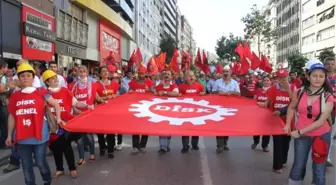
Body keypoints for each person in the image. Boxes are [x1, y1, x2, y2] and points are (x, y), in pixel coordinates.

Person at [5, 63, 64, 185]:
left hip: (39, 136)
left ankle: (47, 179)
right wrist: (9, 135)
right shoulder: (15, 97)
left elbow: (56, 104)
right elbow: (12, 116)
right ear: (19, 79)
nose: (25, 78)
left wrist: (58, 119)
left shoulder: (41, 91)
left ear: (33, 77)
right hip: (22, 138)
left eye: (28, 75)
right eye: (22, 76)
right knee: (26, 167)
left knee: (40, 163)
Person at [286, 63, 333, 185]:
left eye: (321, 76)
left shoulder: (328, 97)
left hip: (321, 135)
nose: (318, 79)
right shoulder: (299, 92)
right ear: (308, 77)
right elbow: (291, 108)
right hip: (302, 136)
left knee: (319, 168)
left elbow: (321, 121)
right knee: (298, 164)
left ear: (325, 78)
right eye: (315, 75)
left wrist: (299, 132)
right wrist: (287, 124)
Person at [266, 69, 296, 174]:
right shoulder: (273, 88)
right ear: (277, 78)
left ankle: (283, 160)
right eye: (280, 77)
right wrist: (263, 104)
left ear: (288, 77)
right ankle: (277, 166)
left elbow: (295, 102)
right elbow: (268, 102)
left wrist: (288, 90)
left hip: (288, 120)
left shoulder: (293, 87)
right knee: (278, 143)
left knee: (286, 143)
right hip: (276, 121)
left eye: (285, 77)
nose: (283, 79)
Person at [212, 66, 240, 153]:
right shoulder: (217, 82)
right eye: (224, 71)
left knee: (227, 127)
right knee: (219, 127)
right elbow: (213, 92)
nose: (225, 73)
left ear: (230, 72)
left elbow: (238, 94)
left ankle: (225, 143)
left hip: (230, 109)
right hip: (218, 108)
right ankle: (219, 145)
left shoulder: (235, 83)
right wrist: (220, 93)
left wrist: (231, 92)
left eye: (227, 71)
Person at [178, 70, 205, 153]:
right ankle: (185, 146)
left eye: (193, 76)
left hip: (196, 111)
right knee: (185, 129)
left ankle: (194, 144)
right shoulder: (181, 86)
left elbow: (205, 96)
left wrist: (203, 94)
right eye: (190, 76)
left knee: (195, 128)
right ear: (185, 78)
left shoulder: (200, 86)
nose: (192, 77)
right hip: (185, 111)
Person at [95, 67, 119, 158]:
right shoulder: (96, 84)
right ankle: (102, 147)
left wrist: (115, 96)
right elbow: (96, 97)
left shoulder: (114, 84)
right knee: (99, 131)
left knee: (110, 130)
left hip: (111, 111)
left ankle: (110, 150)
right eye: (103, 71)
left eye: (106, 71)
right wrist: (106, 98)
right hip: (100, 111)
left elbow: (118, 95)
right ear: (100, 74)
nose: (105, 72)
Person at [128, 66, 152, 154]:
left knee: (145, 128)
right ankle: (135, 146)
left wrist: (149, 90)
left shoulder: (150, 83)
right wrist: (129, 92)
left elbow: (154, 93)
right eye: (140, 73)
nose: (141, 75)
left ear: (145, 74)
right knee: (135, 127)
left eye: (143, 73)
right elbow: (129, 92)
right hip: (135, 108)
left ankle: (142, 146)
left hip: (146, 108)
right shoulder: (132, 83)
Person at [155, 70, 179, 155]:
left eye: (168, 74)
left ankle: (166, 146)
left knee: (169, 129)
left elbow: (175, 93)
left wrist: (165, 92)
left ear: (172, 76)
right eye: (165, 74)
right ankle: (163, 147)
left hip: (171, 110)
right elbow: (155, 93)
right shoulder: (159, 85)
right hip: (160, 110)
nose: (166, 75)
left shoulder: (174, 85)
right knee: (162, 128)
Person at [251, 76, 271, 152]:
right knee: (257, 128)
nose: (266, 82)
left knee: (267, 130)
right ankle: (255, 141)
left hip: (268, 114)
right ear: (262, 82)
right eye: (264, 80)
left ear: (270, 81)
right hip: (258, 113)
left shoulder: (272, 90)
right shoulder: (258, 90)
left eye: (267, 80)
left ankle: (265, 145)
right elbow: (254, 100)